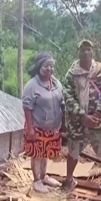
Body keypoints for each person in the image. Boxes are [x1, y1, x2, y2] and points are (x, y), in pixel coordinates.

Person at [61, 40, 101, 201]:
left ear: (93, 52)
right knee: (73, 153)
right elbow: (67, 96)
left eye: (88, 49)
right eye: (82, 50)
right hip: (78, 123)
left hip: (100, 124)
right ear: (78, 52)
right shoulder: (72, 73)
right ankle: (69, 180)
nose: (86, 52)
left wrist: (97, 116)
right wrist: (83, 116)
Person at [22, 52, 65, 193]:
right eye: (46, 66)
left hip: (52, 127)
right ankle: (37, 180)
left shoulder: (57, 83)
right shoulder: (32, 85)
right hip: (36, 127)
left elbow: (62, 102)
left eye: (52, 66)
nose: (49, 69)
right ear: (39, 67)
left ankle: (44, 176)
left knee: (46, 152)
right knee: (37, 154)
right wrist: (30, 129)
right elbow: (27, 107)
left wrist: (63, 123)